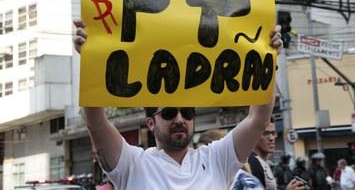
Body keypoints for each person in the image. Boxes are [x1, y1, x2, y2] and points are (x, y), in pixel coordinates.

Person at [73, 19, 283, 190]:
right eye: (170, 113)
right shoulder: (132, 164)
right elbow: (96, 122)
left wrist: (268, 58)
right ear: (150, 122)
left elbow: (259, 119)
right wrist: (92, 58)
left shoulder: (217, 159)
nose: (180, 119)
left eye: (188, 113)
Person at [245, 118, 304, 190]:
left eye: (273, 133)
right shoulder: (253, 163)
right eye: (265, 133)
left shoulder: (263, 163)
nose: (271, 138)